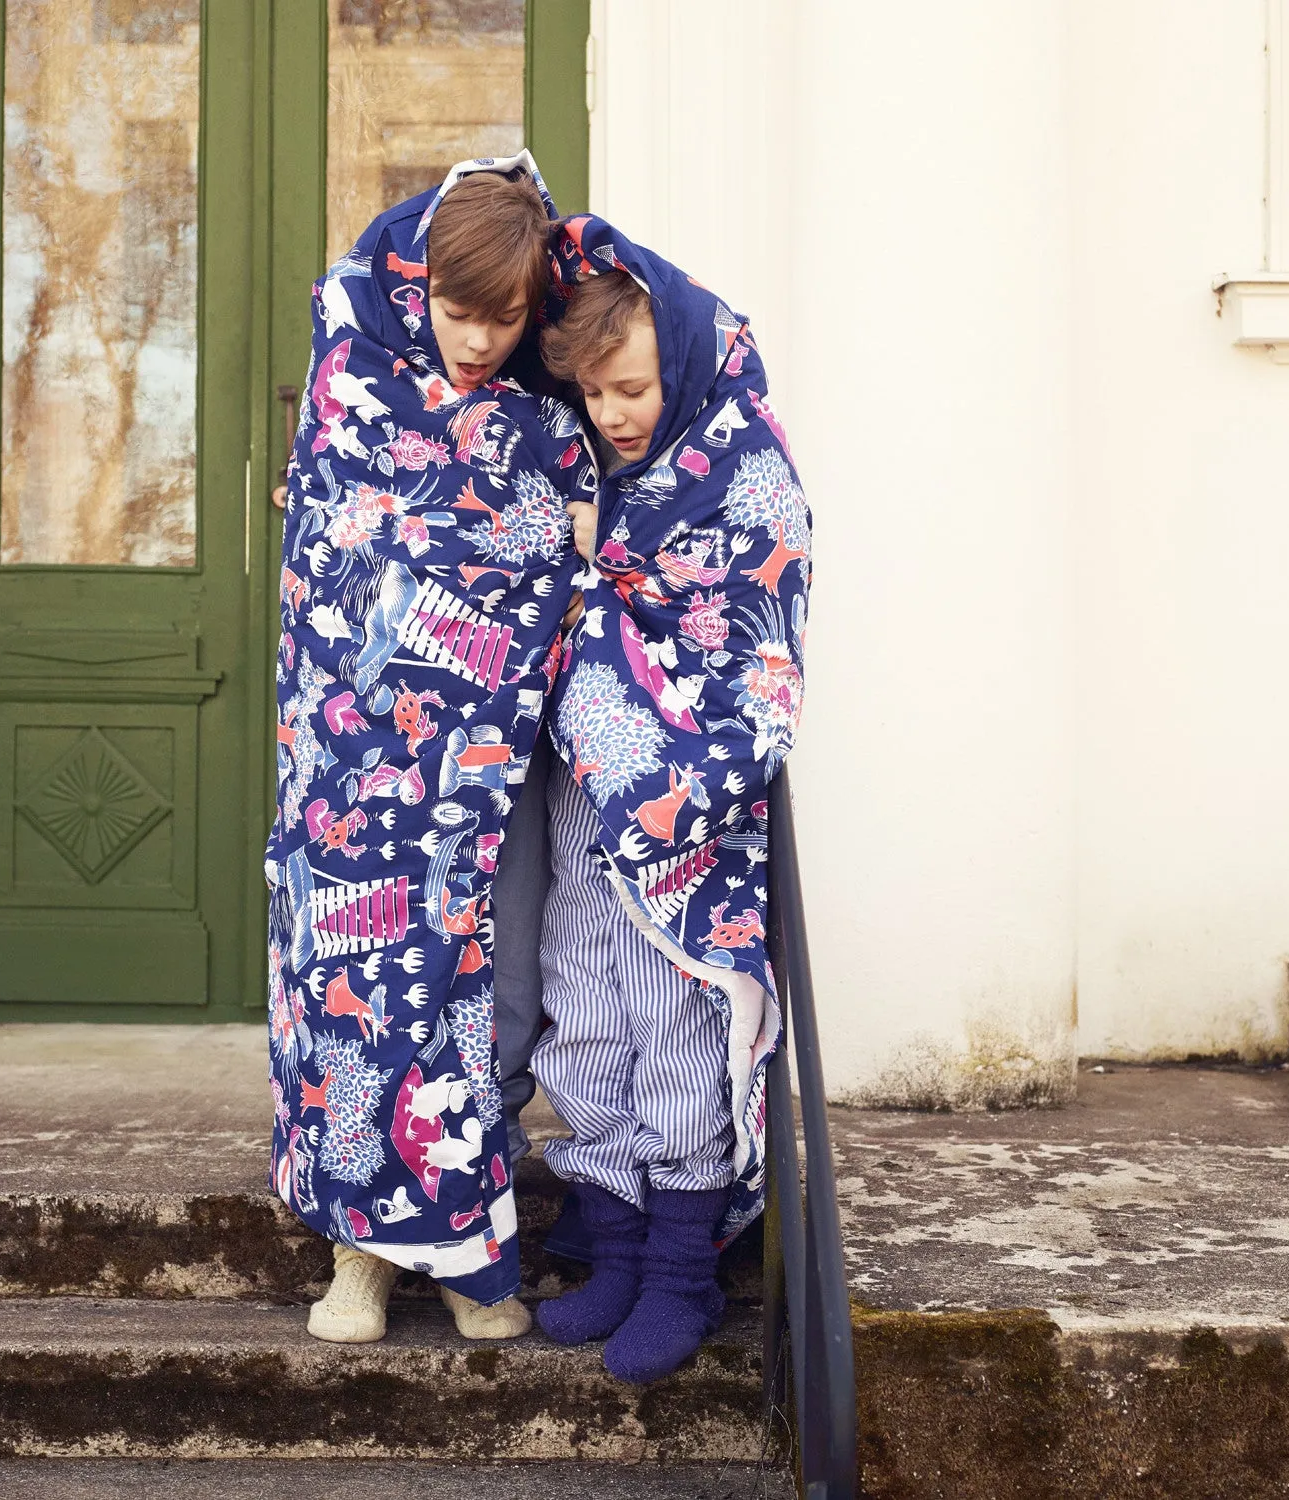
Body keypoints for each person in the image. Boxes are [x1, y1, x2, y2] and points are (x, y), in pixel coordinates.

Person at [268, 156, 596, 1346]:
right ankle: (360, 1253)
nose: (477, 340)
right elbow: (336, 539)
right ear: (419, 285)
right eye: (460, 314)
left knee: (492, 998)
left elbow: (567, 537)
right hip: (357, 758)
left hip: (495, 758)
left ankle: (470, 1248)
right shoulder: (356, 362)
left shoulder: (545, 390)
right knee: (356, 996)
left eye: (504, 320)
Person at [527, 220, 810, 1383]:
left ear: (681, 359)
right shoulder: (598, 468)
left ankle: (684, 1274)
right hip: (581, 782)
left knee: (677, 1021)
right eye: (594, 393)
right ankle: (618, 1247)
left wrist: (689, 787)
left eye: (631, 386)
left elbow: (764, 652)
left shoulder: (749, 473)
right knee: (581, 996)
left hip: (685, 797)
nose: (614, 414)